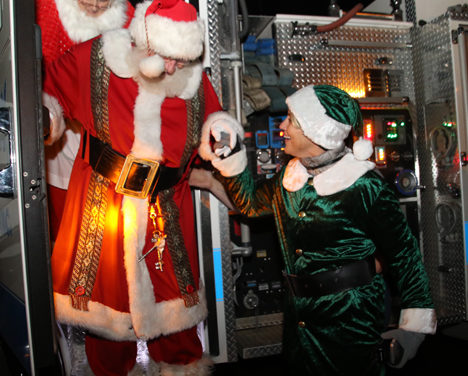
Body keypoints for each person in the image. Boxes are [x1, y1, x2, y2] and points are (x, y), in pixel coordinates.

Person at [42, 0, 237, 374]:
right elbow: (52, 94)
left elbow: (213, 117)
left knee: (175, 314)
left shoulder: (190, 74)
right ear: (142, 40)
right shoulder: (98, 55)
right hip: (104, 201)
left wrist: (221, 133)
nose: (174, 68)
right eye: (168, 57)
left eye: (182, 60)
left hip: (167, 207)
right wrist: (45, 116)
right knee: (108, 318)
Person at [199, 84, 437, 375]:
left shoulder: (365, 187)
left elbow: (405, 255)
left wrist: (412, 329)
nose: (282, 126)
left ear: (317, 132)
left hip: (350, 319)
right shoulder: (290, 178)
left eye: (291, 121)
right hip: (299, 320)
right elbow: (249, 204)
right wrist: (230, 153)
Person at [36, 0, 135, 241]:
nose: (98, 4)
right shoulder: (46, 9)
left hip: (109, 134)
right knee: (66, 226)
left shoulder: (128, 15)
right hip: (61, 129)